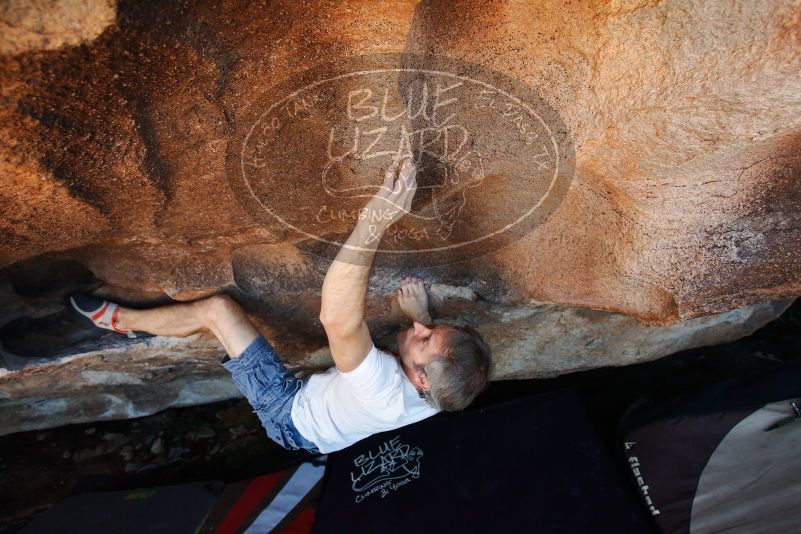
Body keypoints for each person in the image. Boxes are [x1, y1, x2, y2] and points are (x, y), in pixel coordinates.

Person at [67, 159, 493, 454]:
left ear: (420, 379)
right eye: (431, 330)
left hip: (289, 417)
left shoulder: (383, 391)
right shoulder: (446, 392)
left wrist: (377, 218)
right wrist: (423, 320)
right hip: (328, 426)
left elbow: (337, 318)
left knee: (217, 310)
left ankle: (123, 321)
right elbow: (440, 366)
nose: (418, 330)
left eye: (423, 338)